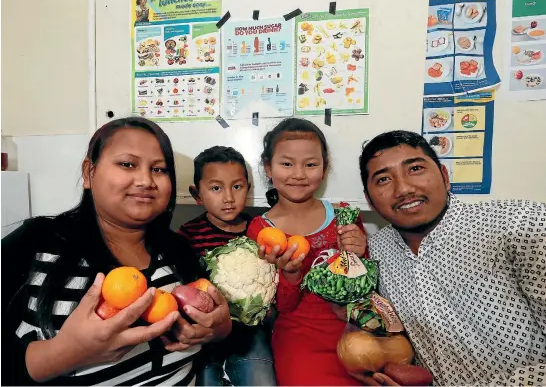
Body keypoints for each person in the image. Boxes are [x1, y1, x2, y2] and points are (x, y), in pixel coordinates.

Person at [1, 117, 232, 385]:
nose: (146, 180)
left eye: (159, 169)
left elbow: (213, 343)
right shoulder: (35, 242)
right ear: (89, 172)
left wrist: (219, 329)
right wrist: (63, 354)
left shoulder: (179, 249)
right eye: (127, 164)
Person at [358, 130, 546, 386]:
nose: (403, 189)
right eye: (383, 180)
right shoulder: (376, 252)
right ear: (370, 201)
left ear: (445, 177)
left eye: (414, 168)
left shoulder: (521, 224)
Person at [246, 118, 368, 386]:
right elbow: (282, 307)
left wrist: (361, 250)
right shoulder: (261, 229)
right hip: (298, 341)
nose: (299, 174)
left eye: (310, 164)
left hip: (358, 334)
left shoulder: (344, 215)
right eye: (287, 164)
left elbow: (363, 287)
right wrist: (290, 274)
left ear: (324, 168)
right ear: (268, 167)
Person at [178, 146, 277, 386]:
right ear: (197, 194)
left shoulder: (261, 230)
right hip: (207, 333)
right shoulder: (187, 235)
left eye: (237, 186)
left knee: (262, 380)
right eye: (216, 188)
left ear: (248, 189)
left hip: (251, 331)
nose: (229, 198)